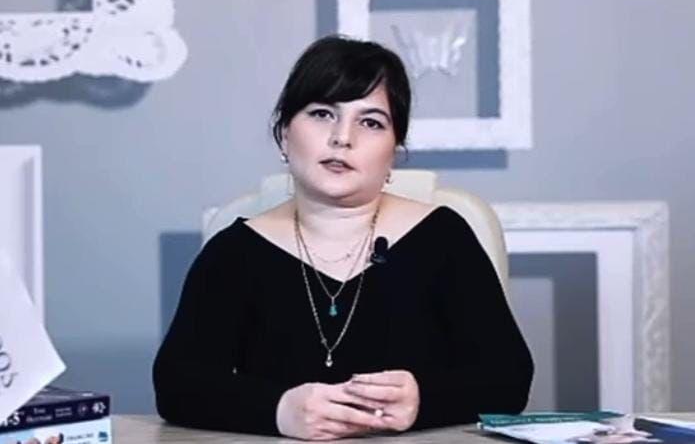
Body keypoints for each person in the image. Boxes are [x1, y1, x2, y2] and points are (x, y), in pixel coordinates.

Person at [153, 35, 534, 440]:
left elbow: (509, 377)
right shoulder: (235, 252)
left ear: (394, 151)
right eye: (322, 114)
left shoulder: (443, 237)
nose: (342, 137)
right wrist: (277, 410)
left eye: (371, 122)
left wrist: (425, 400)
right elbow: (178, 384)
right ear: (284, 134)